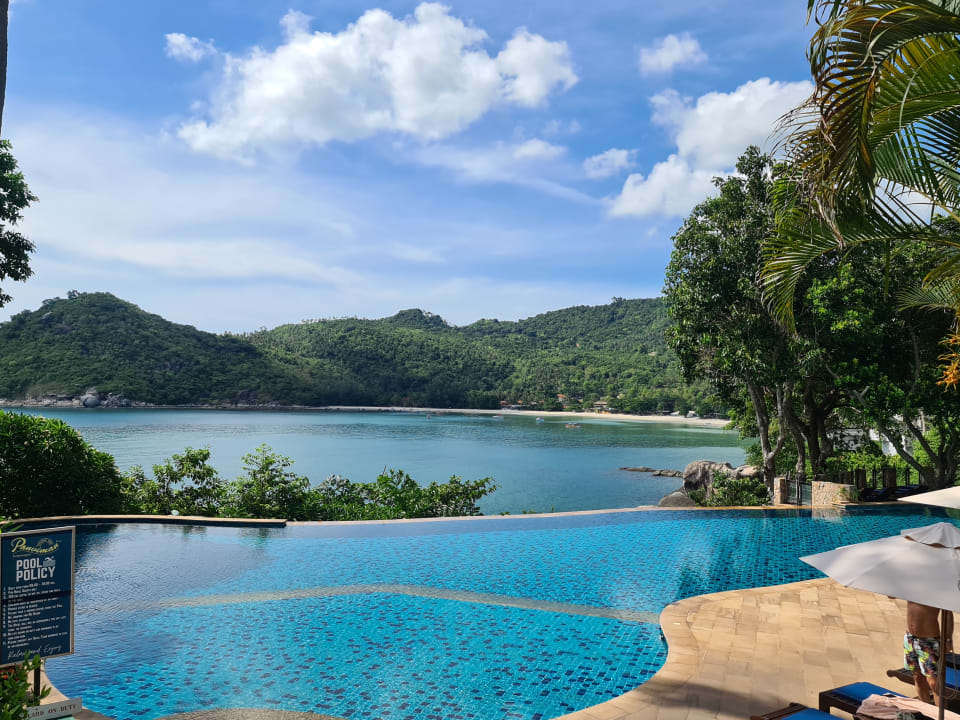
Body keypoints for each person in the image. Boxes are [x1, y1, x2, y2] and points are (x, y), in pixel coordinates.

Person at [904, 601, 954, 705]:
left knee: (933, 683)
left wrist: (948, 638)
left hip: (929, 641)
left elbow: (948, 614)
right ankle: (926, 711)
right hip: (910, 638)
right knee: (917, 677)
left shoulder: (936, 587)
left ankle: (939, 716)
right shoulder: (911, 585)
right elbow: (891, 596)